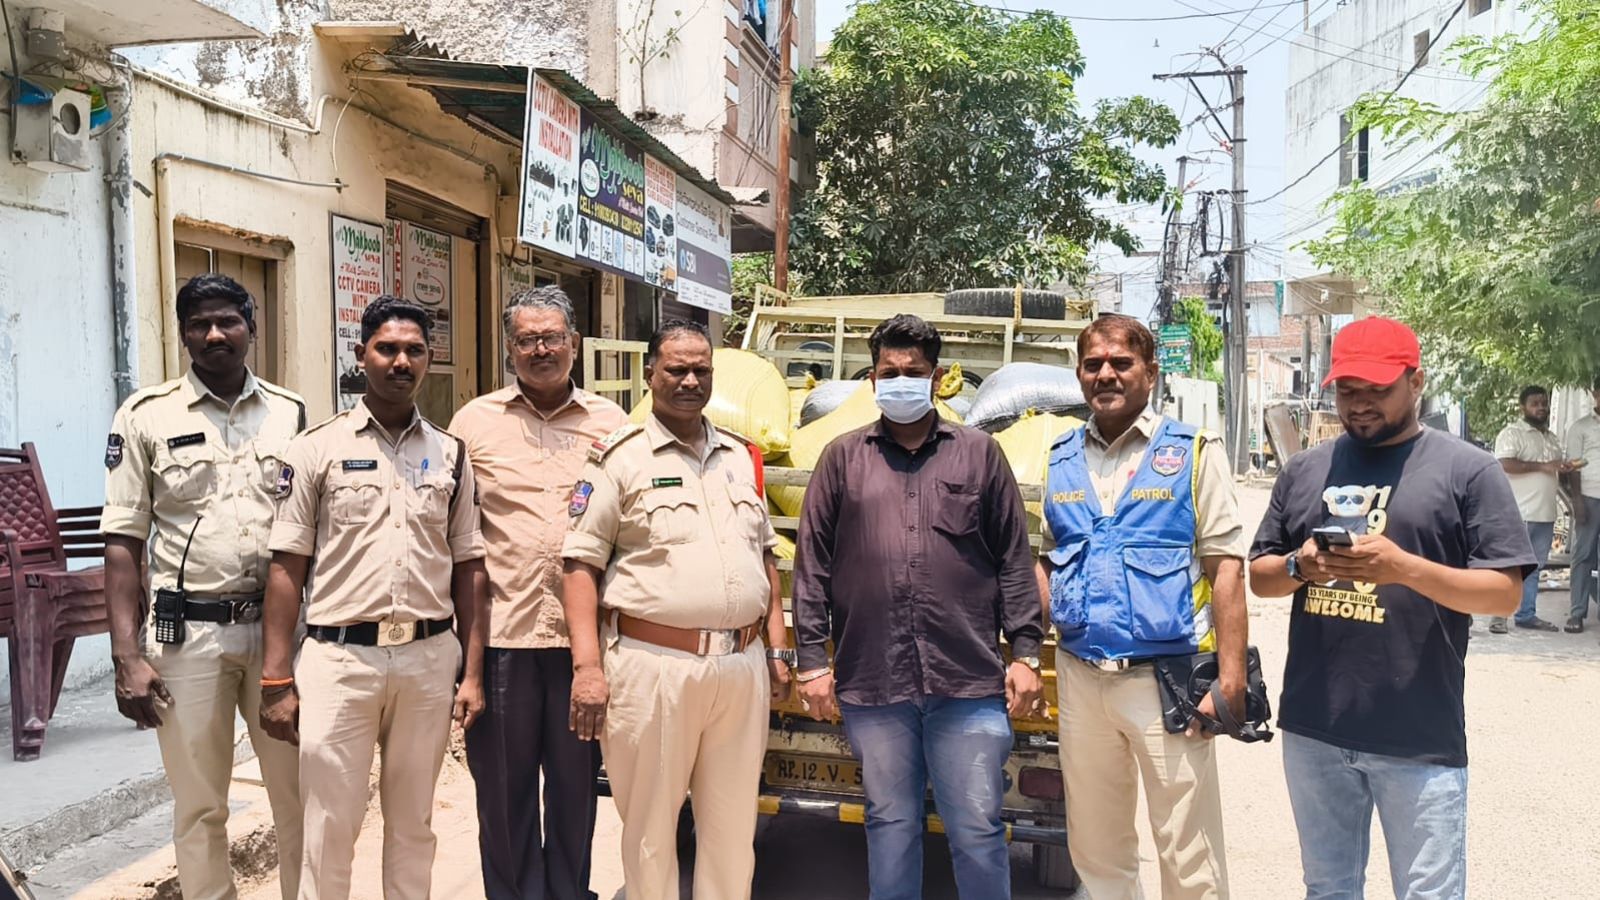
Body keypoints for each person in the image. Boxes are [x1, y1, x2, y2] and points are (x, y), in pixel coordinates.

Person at [1249, 316, 1530, 900]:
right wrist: (1303, 566)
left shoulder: (1467, 470)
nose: (1361, 405)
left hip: (1418, 734)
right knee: (1328, 889)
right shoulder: (1306, 469)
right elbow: (1260, 577)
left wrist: (1402, 568)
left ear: (1416, 382)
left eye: (1378, 390)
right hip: (1315, 728)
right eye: (1348, 391)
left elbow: (1505, 590)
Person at [791, 314, 1042, 900]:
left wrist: (1026, 652)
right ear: (872, 381)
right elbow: (812, 566)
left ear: (936, 380)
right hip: (872, 680)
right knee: (890, 822)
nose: (901, 381)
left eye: (914, 372)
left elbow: (1013, 558)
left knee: (978, 829)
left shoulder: (980, 455)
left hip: (968, 682)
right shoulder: (840, 459)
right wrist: (812, 661)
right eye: (889, 372)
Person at [258, 296, 488, 900]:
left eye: (414, 350)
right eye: (387, 348)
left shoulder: (450, 453)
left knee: (414, 825)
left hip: (427, 657)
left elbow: (469, 566)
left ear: (430, 360)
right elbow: (286, 567)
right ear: (361, 356)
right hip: (340, 662)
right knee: (328, 828)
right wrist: (276, 678)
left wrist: (472, 671)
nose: (401, 361)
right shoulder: (316, 448)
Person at [560, 319, 791, 900]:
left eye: (701, 370)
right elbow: (579, 567)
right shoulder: (619, 458)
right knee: (651, 833)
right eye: (676, 369)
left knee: (734, 830)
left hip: (740, 670)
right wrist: (587, 669)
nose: (690, 380)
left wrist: (778, 645)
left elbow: (765, 558)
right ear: (649, 375)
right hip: (652, 668)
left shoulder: (741, 458)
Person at [101, 273, 306, 900]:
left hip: (280, 638)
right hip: (188, 637)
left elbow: (309, 530)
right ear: (184, 333)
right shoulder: (145, 415)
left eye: (228, 321)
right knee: (199, 809)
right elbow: (122, 541)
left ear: (252, 328)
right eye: (199, 324)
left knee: (301, 797)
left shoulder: (291, 412)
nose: (214, 334)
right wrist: (126, 656)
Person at [1035, 314, 1247, 900]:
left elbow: (1226, 566)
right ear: (1079, 375)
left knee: (1187, 849)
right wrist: (1025, 650)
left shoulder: (1192, 451)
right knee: (1098, 850)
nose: (1106, 374)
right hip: (1081, 678)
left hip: (1166, 681)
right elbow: (1051, 561)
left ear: (1150, 373)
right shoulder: (1058, 458)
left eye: (1121, 363)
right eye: (1093, 364)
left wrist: (1230, 680)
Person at [448, 286, 626, 900]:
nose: (541, 349)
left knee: (577, 790)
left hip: (585, 645)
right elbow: (452, 531)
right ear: (510, 348)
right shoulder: (473, 422)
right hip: (502, 639)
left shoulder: (612, 423)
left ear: (574, 344)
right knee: (502, 792)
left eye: (552, 337)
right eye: (526, 339)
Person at [1489, 385, 1570, 634]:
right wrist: (1543, 466)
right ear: (1523, 407)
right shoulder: (1513, 434)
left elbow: (1556, 472)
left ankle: (1526, 614)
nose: (1541, 407)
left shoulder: (1551, 438)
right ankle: (1499, 616)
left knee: (1535, 567)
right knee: (1511, 566)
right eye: (1535, 403)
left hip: (1545, 514)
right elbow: (1504, 464)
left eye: (1544, 403)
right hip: (1519, 513)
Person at [1564, 377, 1600, 633]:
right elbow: (1573, 467)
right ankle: (1577, 613)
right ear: (1595, 393)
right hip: (1588, 496)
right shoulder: (1581, 427)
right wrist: (1576, 501)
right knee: (1583, 556)